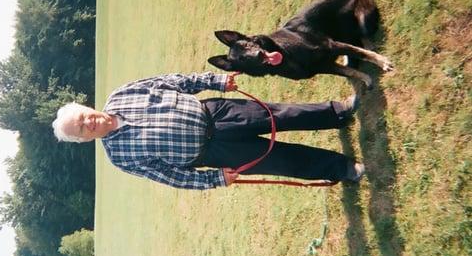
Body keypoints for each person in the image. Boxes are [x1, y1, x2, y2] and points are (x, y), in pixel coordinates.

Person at [52, 72, 365, 190]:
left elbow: (173, 82)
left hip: (216, 112)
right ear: (83, 140)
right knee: (282, 161)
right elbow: (170, 176)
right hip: (214, 153)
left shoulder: (121, 94)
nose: (87, 122)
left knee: (281, 114)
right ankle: (344, 168)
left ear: (85, 106)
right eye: (81, 129)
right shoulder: (119, 158)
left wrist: (214, 81)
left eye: (82, 116)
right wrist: (214, 179)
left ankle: (339, 112)